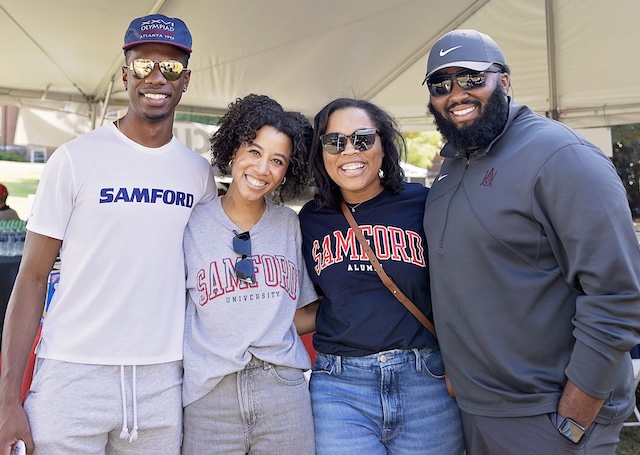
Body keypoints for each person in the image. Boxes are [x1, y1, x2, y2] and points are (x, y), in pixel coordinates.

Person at [0, 14, 216, 455]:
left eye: (171, 68)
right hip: (72, 377)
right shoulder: (74, 160)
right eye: (143, 65)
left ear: (186, 80)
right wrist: (6, 401)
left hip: (162, 382)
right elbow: (32, 279)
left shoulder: (199, 174)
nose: (156, 77)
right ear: (124, 75)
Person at [422, 29, 640, 454]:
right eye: (440, 84)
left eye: (470, 78)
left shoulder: (561, 156)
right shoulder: (451, 168)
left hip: (549, 414)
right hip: (477, 410)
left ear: (503, 80)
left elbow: (617, 293)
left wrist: (579, 408)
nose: (455, 93)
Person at [297, 98, 463, 454]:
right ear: (321, 153)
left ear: (383, 145)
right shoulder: (310, 219)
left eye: (362, 139)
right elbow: (309, 303)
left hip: (425, 381)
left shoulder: (425, 203)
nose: (349, 151)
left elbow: (458, 291)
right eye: (334, 142)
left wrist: (460, 363)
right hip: (341, 388)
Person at [181, 94, 317, 454]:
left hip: (282, 392)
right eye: (254, 152)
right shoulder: (191, 222)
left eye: (277, 160)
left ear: (288, 170)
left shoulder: (290, 224)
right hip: (210, 396)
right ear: (234, 149)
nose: (262, 169)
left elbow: (297, 315)